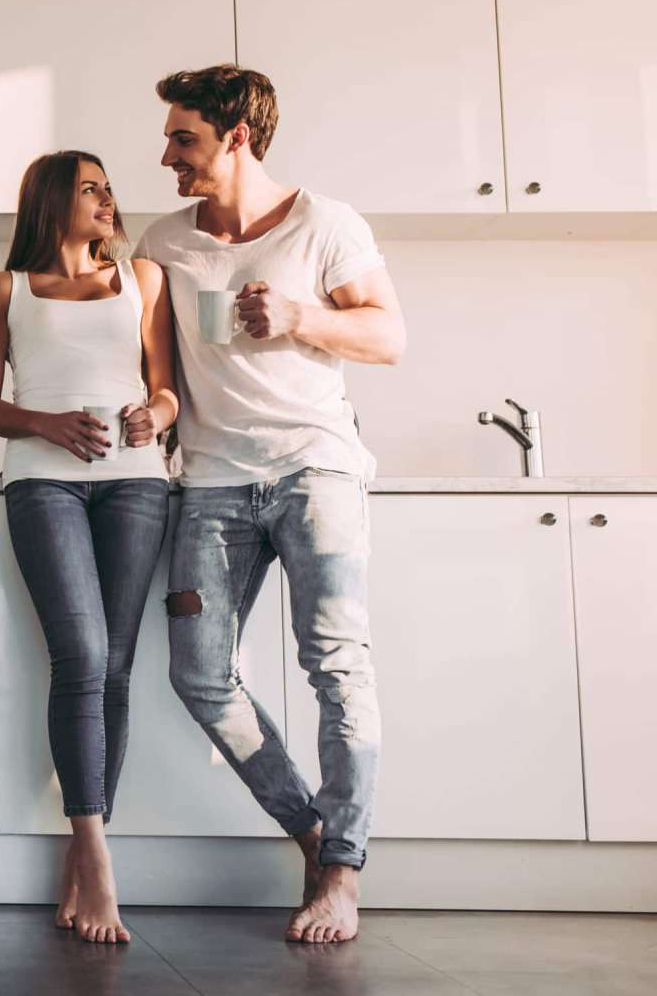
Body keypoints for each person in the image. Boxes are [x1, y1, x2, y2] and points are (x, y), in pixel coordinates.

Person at [135, 65, 406, 944]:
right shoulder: (165, 241)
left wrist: (299, 316)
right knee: (200, 672)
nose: (168, 154)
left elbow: (388, 336)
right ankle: (317, 833)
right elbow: (154, 365)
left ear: (237, 135)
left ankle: (341, 874)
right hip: (212, 480)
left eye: (184, 137)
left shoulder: (327, 223)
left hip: (315, 470)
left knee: (336, 664)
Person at [0, 150, 179, 943]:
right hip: (42, 483)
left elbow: (166, 386)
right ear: (53, 199)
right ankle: (95, 853)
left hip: (136, 482)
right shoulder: (5, 290)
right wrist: (46, 423)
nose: (107, 198)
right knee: (82, 658)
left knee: (115, 668)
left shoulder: (143, 281)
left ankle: (83, 848)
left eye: (107, 188)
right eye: (90, 187)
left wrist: (153, 415)